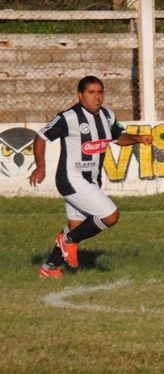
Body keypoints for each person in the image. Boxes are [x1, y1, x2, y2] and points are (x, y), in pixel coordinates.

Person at [29, 75, 153, 278]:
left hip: (90, 180)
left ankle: (49, 267)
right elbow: (41, 137)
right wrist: (40, 167)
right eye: (91, 93)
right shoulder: (68, 118)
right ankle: (68, 242)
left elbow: (118, 137)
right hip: (71, 179)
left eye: (100, 92)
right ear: (80, 95)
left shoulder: (107, 116)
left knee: (76, 227)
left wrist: (138, 138)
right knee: (110, 216)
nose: (97, 97)